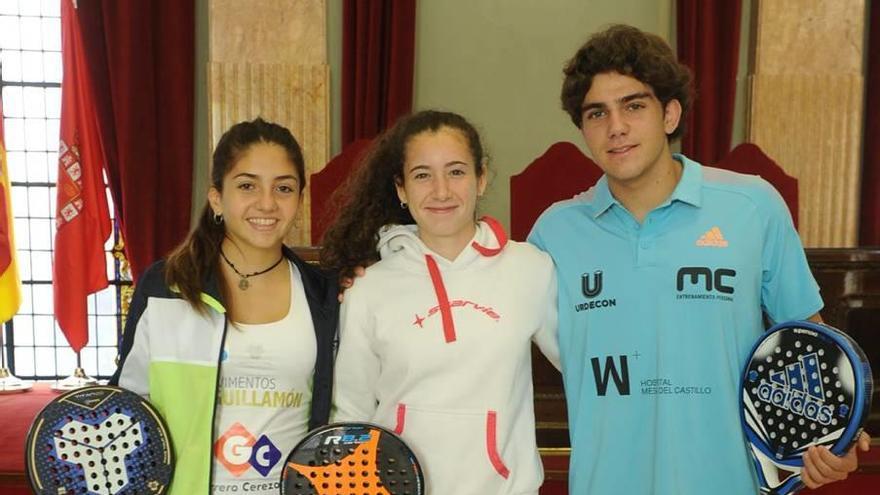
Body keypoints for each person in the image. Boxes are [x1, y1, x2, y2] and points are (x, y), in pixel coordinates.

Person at [528, 24, 870, 494]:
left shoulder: (753, 205)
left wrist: (834, 440)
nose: (616, 127)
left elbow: (812, 348)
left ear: (670, 113)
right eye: (596, 113)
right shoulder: (553, 232)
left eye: (634, 105)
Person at [321, 110, 559, 495]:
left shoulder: (531, 269)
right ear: (401, 189)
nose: (441, 191)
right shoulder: (370, 287)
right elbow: (352, 412)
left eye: (456, 171)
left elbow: (586, 369)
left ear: (481, 179)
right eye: (422, 175)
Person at [110, 118, 339, 494]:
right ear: (217, 197)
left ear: (299, 198)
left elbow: (337, 409)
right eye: (247, 185)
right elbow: (129, 402)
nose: (267, 203)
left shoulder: (323, 293)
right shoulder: (167, 286)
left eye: (283, 188)